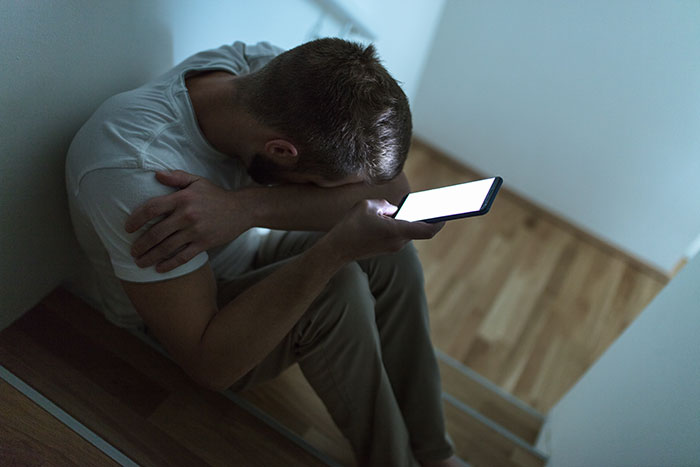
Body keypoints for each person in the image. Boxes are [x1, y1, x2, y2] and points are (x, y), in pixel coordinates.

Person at [66, 38, 462, 466]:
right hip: (178, 326)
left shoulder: (261, 73)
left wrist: (243, 207)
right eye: (322, 183)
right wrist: (333, 251)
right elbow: (208, 363)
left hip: (243, 255)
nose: (326, 193)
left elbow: (394, 190)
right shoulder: (135, 171)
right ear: (280, 151)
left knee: (389, 250)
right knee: (338, 286)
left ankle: (434, 454)